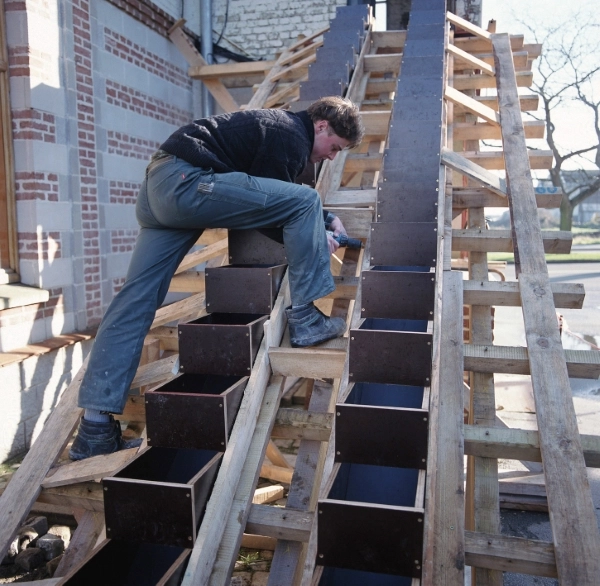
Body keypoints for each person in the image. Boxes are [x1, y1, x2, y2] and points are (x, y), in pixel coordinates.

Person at [68, 96, 364, 461]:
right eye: (334, 147)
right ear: (321, 125)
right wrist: (319, 227)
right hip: (186, 183)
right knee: (306, 200)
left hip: (159, 188)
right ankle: (306, 318)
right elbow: (278, 211)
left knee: (135, 300)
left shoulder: (277, 131)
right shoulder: (289, 133)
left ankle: (93, 430)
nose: (332, 156)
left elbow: (267, 201)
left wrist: (325, 222)